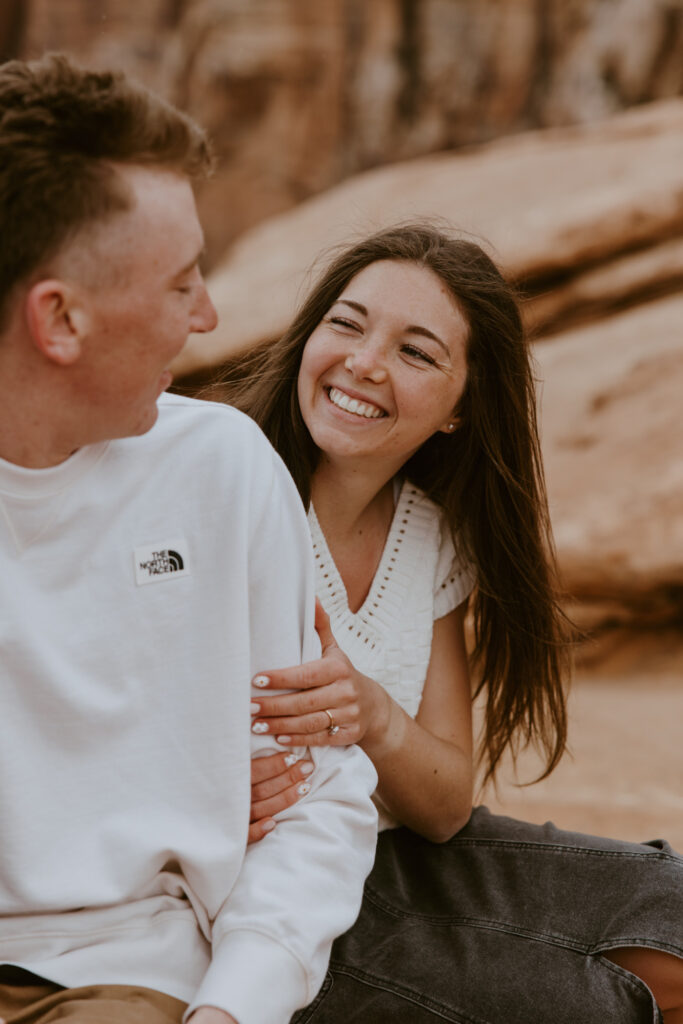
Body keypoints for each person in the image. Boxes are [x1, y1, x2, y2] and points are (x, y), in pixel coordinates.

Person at [0, 54, 378, 1024]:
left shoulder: (220, 466)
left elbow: (317, 798)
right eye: (180, 283)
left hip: (109, 977)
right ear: (61, 318)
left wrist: (231, 1008)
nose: (207, 316)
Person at [225, 224, 683, 1023]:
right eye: (347, 323)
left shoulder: (431, 535)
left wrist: (369, 713)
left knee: (668, 910)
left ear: (459, 409)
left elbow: (441, 805)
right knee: (591, 999)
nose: (364, 363)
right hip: (274, 897)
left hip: (401, 860)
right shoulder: (223, 491)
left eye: (416, 351)